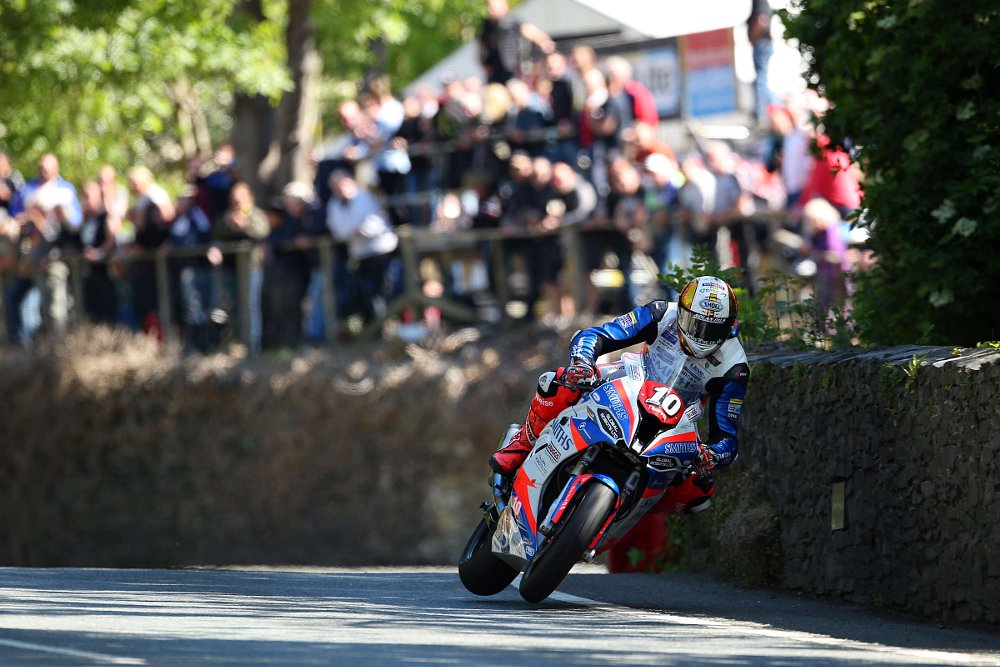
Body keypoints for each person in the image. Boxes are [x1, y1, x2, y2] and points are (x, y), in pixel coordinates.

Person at [489, 275, 750, 515]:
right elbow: (597, 335)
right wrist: (582, 363)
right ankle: (521, 446)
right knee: (557, 382)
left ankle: (636, 519)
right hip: (630, 380)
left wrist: (712, 455)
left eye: (712, 330)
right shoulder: (660, 314)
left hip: (678, 420)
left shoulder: (735, 367)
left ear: (729, 326)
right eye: (696, 324)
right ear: (682, 312)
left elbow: (726, 436)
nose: (701, 336)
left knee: (699, 492)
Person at [478, 0, 554, 84]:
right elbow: (482, 48)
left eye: (492, 7)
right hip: (495, 72)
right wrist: (484, 64)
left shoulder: (511, 21)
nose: (490, 10)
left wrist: (542, 40)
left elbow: (528, 30)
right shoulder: (487, 26)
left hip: (512, 71)